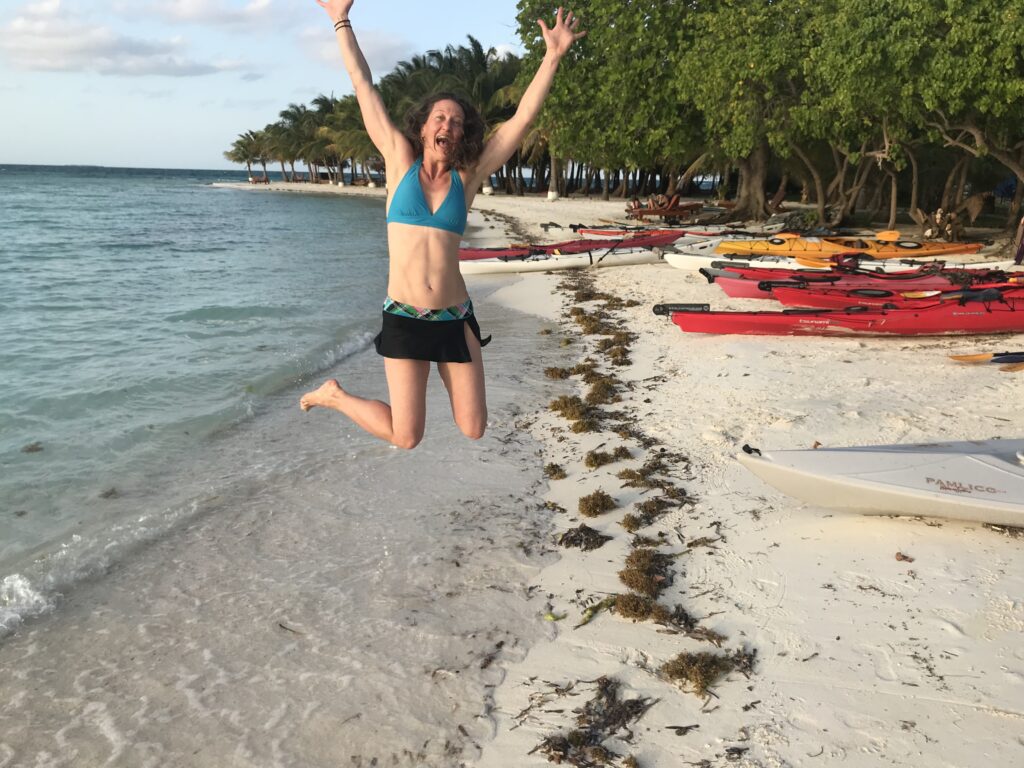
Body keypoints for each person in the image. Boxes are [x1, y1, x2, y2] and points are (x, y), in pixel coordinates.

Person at [300, 1, 585, 449]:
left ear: (462, 134)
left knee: (474, 426)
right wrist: (340, 19)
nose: (448, 125)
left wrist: (551, 57)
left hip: (455, 317)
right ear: (424, 126)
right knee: (406, 435)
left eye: (456, 121)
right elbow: (363, 84)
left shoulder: (467, 179)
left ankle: (341, 394)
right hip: (404, 316)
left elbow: (521, 120)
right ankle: (335, 396)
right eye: (440, 117)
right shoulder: (398, 160)